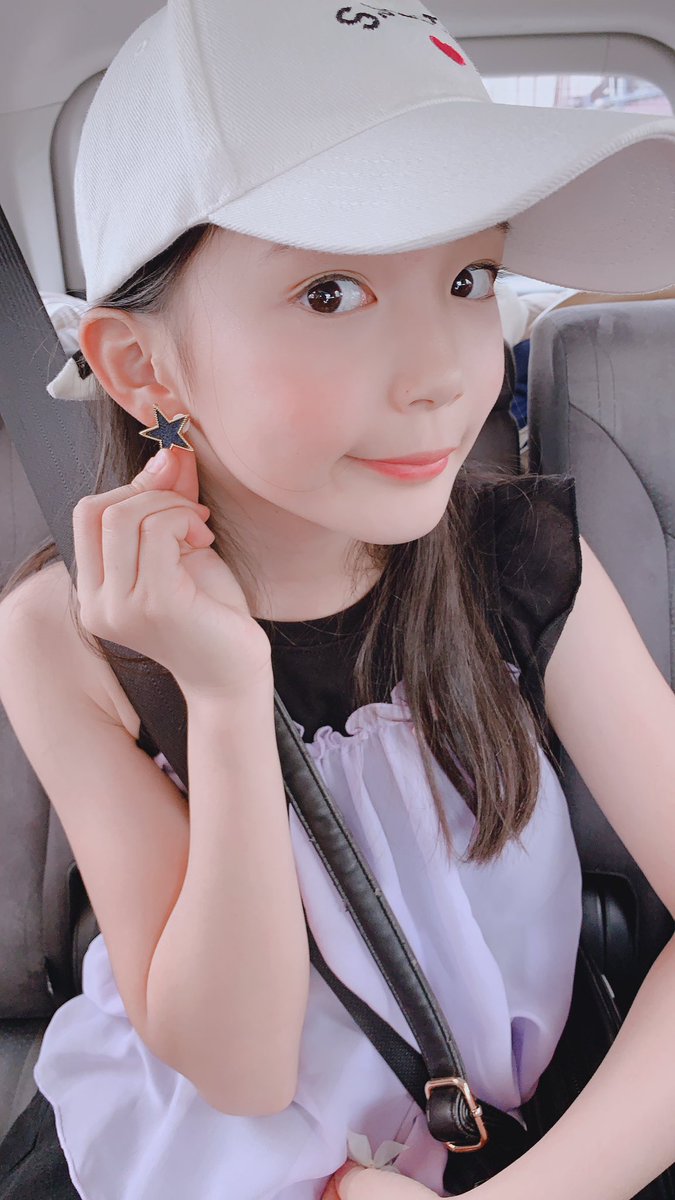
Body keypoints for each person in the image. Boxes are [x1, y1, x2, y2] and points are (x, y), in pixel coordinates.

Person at [0, 1, 674, 1198]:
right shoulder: (67, 635)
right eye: (331, 293)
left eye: (468, 276)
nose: (442, 373)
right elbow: (241, 1068)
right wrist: (222, 693)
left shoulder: (522, 557)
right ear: (142, 366)